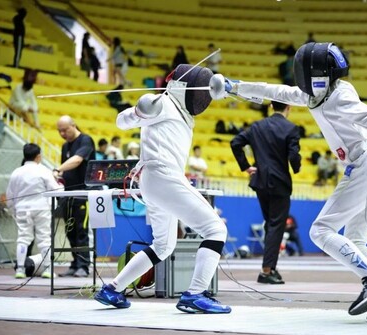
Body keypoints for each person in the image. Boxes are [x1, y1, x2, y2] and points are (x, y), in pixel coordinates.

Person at [222, 42, 367, 321]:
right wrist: (233, 86)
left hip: (366, 165)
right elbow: (271, 90)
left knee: (320, 231)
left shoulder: (340, 95)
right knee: (356, 242)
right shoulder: (315, 96)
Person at [93, 64, 231, 314]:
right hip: (162, 176)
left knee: (163, 246)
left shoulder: (179, 111)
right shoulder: (164, 104)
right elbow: (121, 121)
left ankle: (113, 289)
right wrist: (138, 111)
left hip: (154, 182)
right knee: (216, 229)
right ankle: (195, 293)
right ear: (184, 88)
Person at [231, 101, 301, 284]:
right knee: (276, 225)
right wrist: (296, 167)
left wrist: (245, 166)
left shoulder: (257, 126)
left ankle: (270, 267)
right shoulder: (291, 128)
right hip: (279, 182)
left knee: (270, 224)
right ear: (289, 108)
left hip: (260, 181)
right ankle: (267, 270)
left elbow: (235, 142)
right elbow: (293, 156)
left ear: (271, 106)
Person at [6, 143, 64, 279]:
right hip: (41, 209)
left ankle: (20, 270)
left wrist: (12, 209)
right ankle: (47, 270)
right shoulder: (43, 170)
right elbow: (56, 190)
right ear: (38, 156)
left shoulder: (16, 172)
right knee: (44, 239)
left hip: (22, 209)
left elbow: (10, 195)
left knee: (23, 238)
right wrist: (60, 183)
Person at [54, 116, 96, 278]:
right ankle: (75, 263)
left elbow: (77, 160)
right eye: (59, 131)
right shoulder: (65, 146)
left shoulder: (86, 140)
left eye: (65, 130)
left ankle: (84, 266)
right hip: (68, 194)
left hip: (83, 194)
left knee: (81, 231)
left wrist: (57, 170)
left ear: (73, 125)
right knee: (69, 230)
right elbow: (66, 170)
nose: (62, 133)